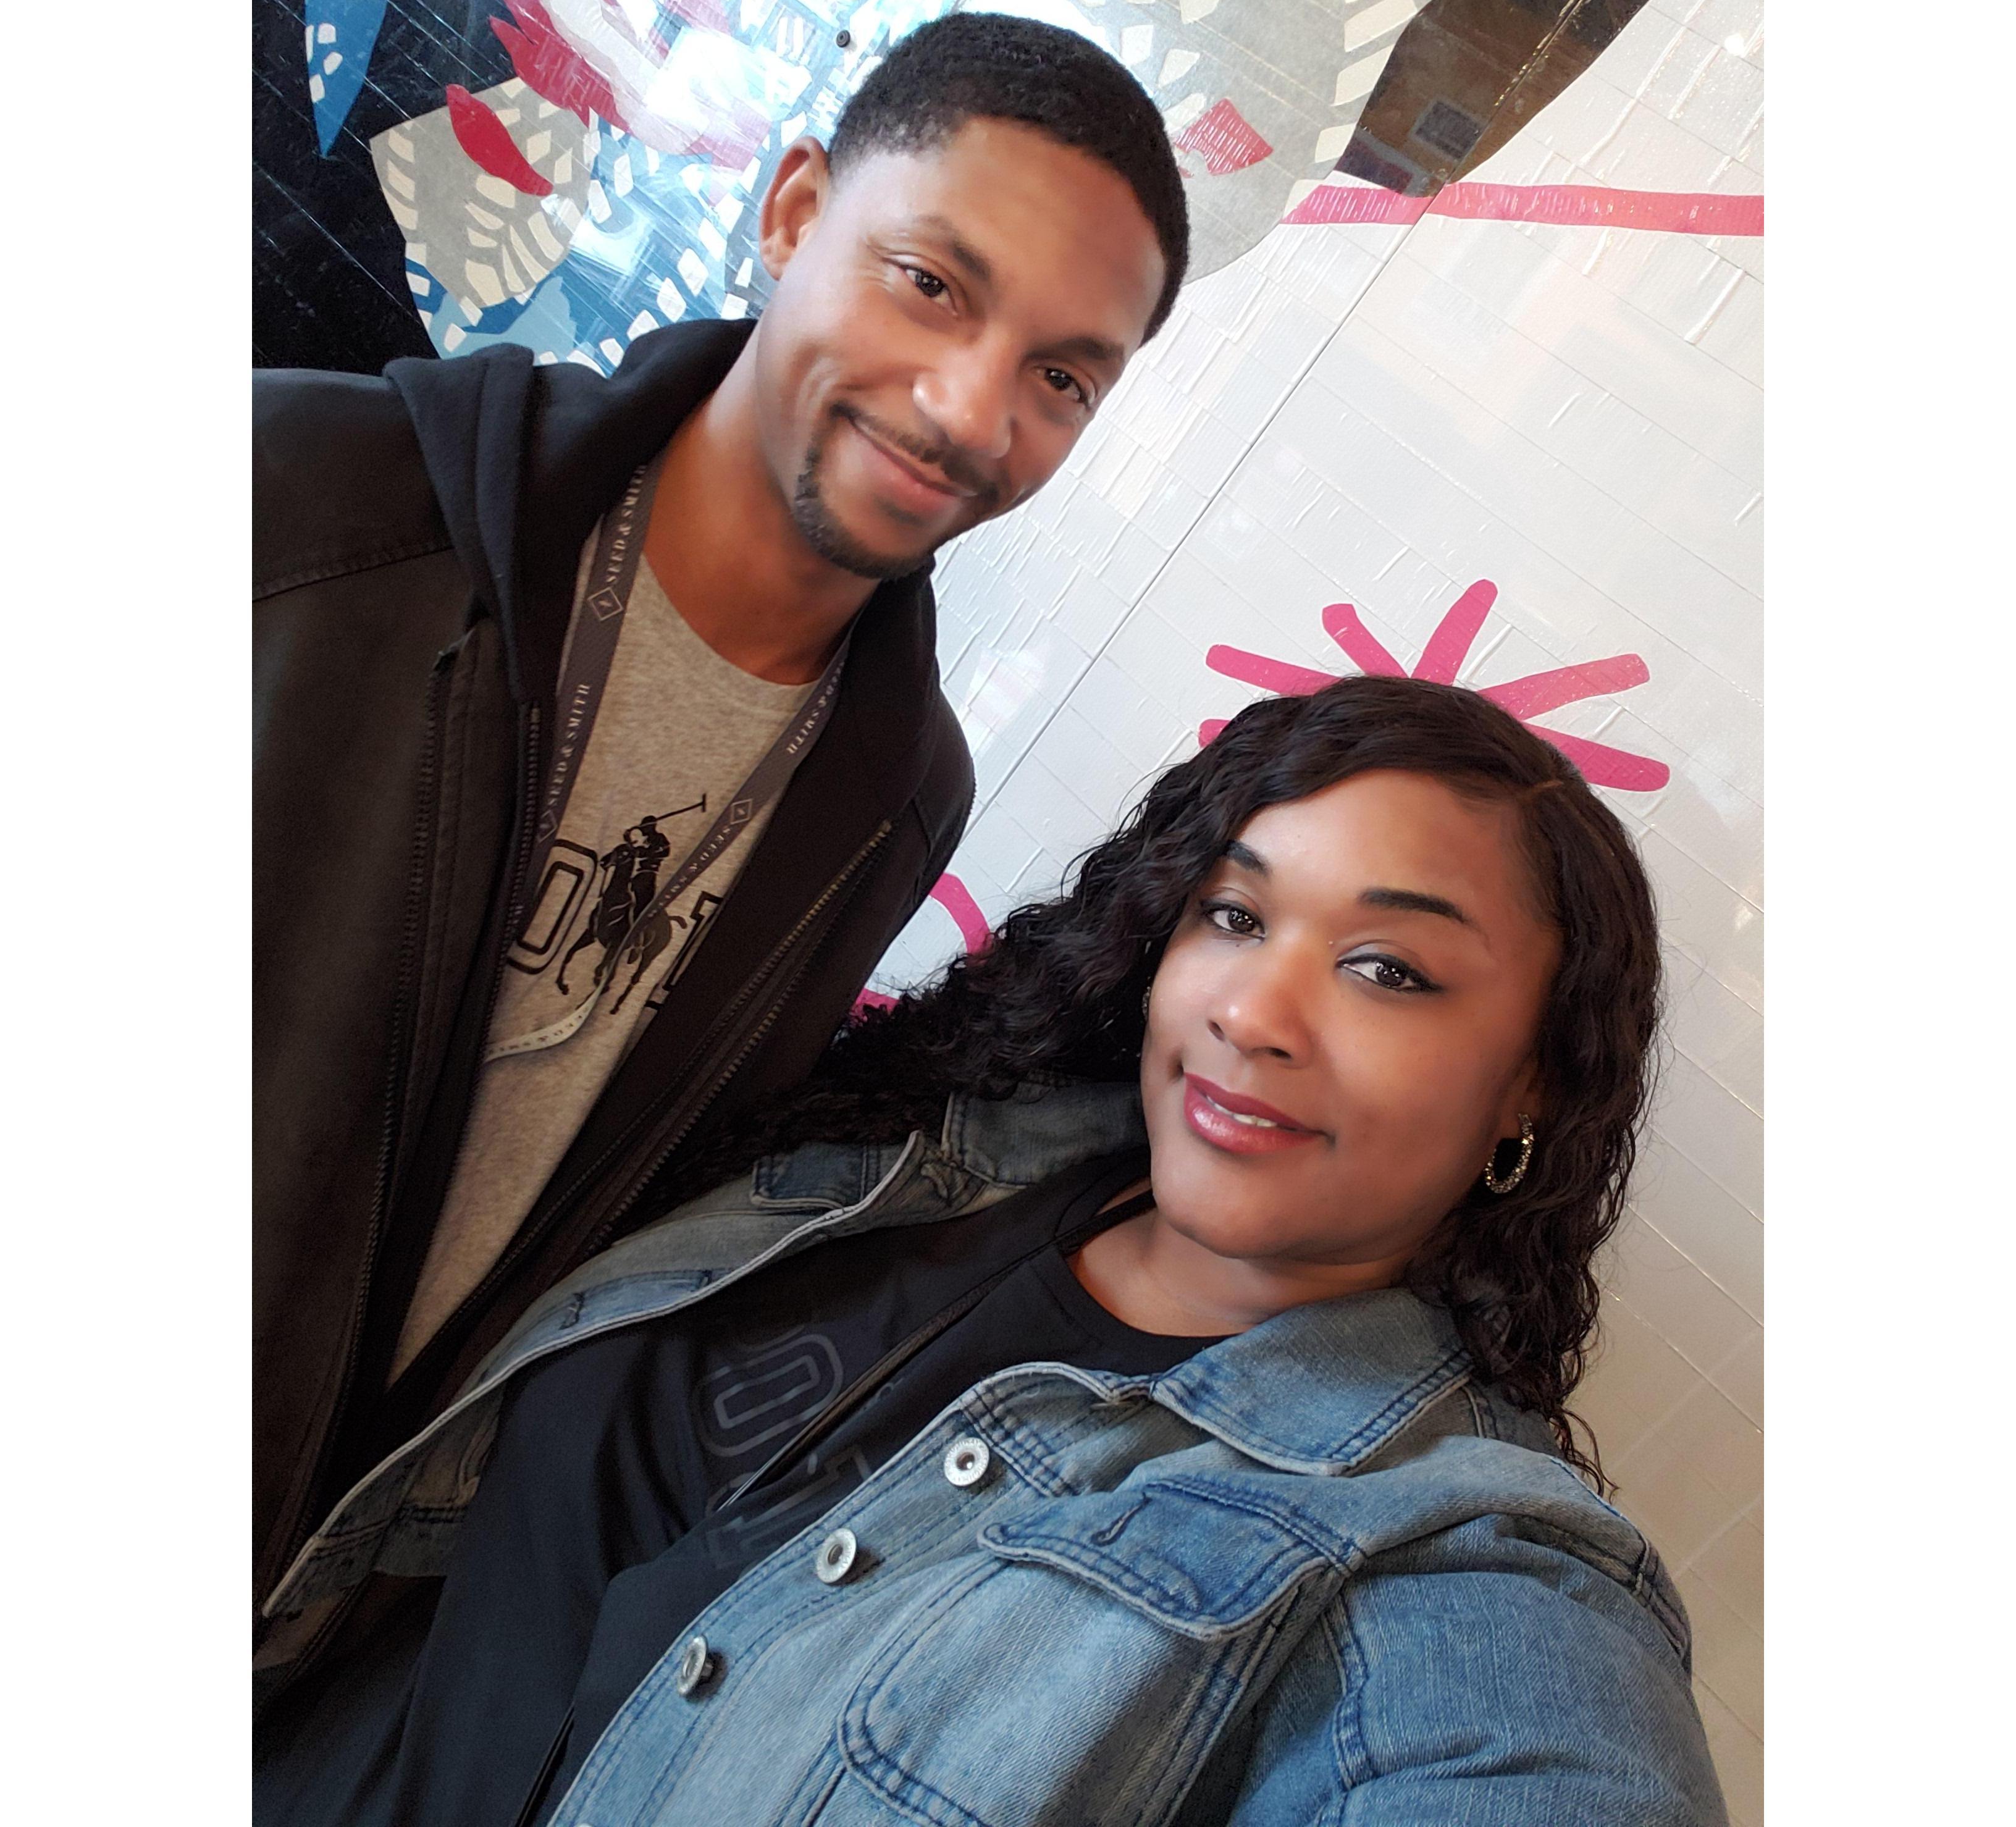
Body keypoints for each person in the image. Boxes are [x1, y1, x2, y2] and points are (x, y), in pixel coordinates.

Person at [255, 675, 1727, 1826]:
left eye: (1386, 969)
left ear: (1536, 1082)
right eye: (1235, 914)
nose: (1251, 1012)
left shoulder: (1452, 1561)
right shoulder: (940, 1150)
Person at [253, 11, 1190, 1618]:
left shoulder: (897, 791)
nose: (971, 411)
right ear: (795, 210)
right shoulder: (311, 499)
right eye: (932, 282)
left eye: (1060, 377)